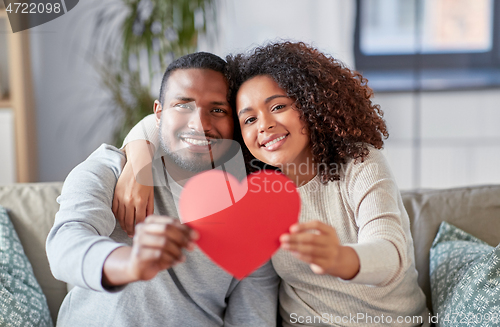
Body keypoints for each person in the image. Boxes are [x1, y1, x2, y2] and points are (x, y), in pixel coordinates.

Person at [116, 42, 429, 326]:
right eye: (249, 119)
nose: (264, 124)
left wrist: (339, 258)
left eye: (278, 106)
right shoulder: (252, 181)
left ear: (310, 104)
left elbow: (391, 255)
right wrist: (138, 161)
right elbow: (161, 121)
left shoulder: (360, 163)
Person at [46, 52, 280, 327]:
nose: (200, 124)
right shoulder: (110, 169)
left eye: (217, 110)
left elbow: (252, 318)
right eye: (183, 106)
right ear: (158, 113)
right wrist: (129, 262)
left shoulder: (253, 215)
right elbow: (66, 244)